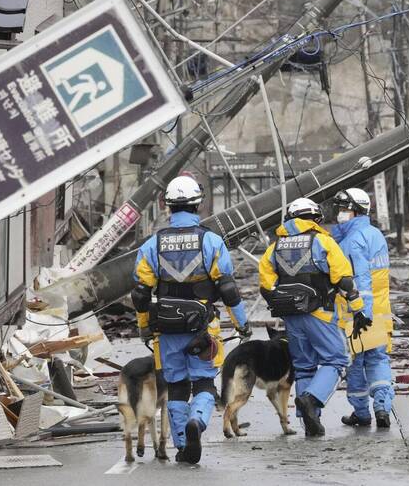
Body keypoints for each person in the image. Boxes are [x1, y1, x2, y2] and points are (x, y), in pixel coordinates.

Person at [132, 175, 252, 464]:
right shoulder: (211, 241)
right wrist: (241, 324)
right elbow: (227, 288)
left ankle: (183, 447)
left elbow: (140, 294)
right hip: (203, 328)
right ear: (198, 204)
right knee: (203, 383)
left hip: (165, 326)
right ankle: (197, 421)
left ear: (168, 206)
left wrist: (145, 328)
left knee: (175, 386)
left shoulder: (152, 245)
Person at [258, 197, 370, 437]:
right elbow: (344, 280)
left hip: (291, 316)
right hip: (320, 313)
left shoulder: (274, 247)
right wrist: (358, 308)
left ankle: (310, 423)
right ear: (315, 218)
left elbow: (266, 286)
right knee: (337, 360)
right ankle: (313, 400)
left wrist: (283, 304)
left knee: (304, 367)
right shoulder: (323, 241)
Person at [332, 188, 395, 428]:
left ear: (356, 210)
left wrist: (361, 313)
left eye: (344, 209)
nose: (340, 214)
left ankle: (361, 412)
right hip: (380, 311)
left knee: (355, 364)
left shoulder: (351, 239)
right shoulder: (375, 234)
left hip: (356, 314)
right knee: (378, 360)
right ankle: (382, 407)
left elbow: (361, 280)